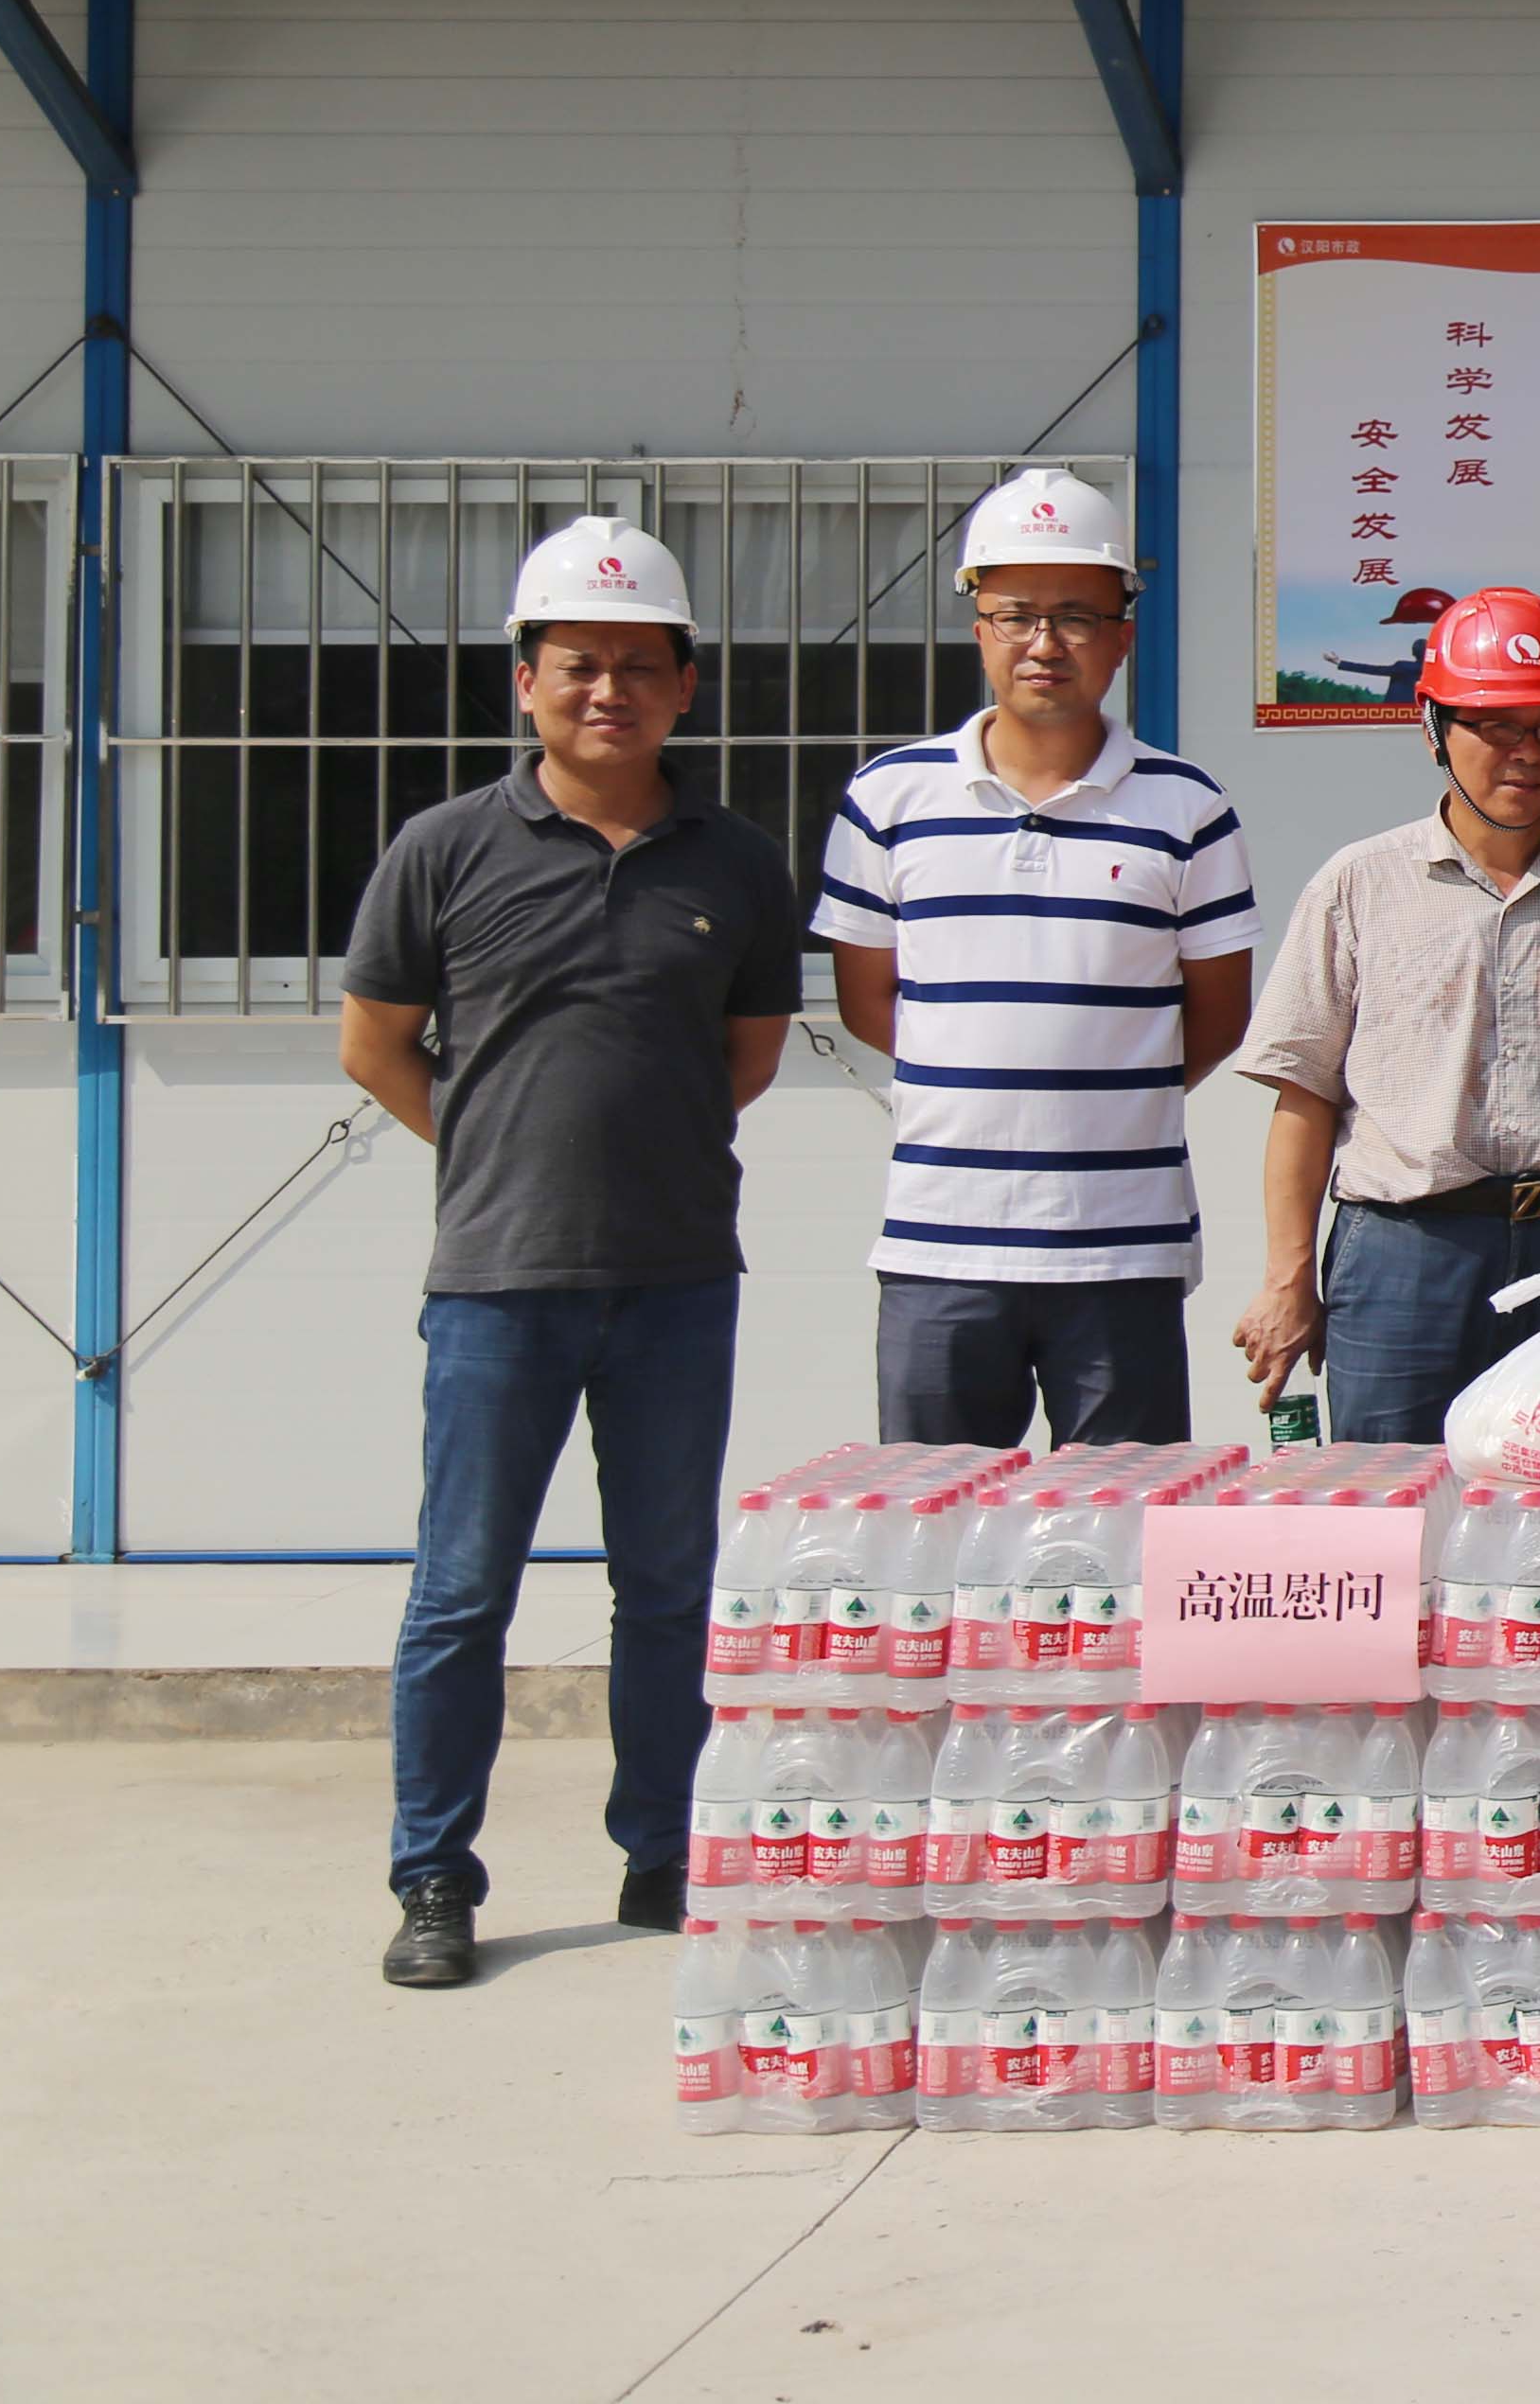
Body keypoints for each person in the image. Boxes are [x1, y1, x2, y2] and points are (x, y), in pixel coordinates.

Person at [341, 517, 805, 1990]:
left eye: (640, 665)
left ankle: (665, 1852)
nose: (609, 690)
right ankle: (434, 1878)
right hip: (496, 1287)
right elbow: (376, 1046)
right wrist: (500, 1153)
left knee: (666, 1587)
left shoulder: (736, 862)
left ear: (686, 685)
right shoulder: (444, 850)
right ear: (525, 680)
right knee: (460, 1592)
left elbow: (745, 1056)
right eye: (578, 663)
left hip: (677, 1283)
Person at [812, 468, 1256, 1450]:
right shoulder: (888, 800)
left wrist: (1098, 1086)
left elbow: (1218, 1017)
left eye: (1076, 617)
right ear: (979, 628)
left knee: (1119, 1526)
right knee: (934, 1523)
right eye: (1016, 615)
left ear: (1123, 637)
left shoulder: (1188, 808)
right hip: (941, 1242)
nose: (1045, 643)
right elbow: (868, 1002)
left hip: (1121, 1248)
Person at [1229, 589, 1540, 1441]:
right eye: (1497, 727)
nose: (1527, 753)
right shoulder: (1360, 884)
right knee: (1393, 1494)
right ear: (1433, 726)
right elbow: (1304, 1092)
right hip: (1404, 1258)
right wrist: (1287, 1276)